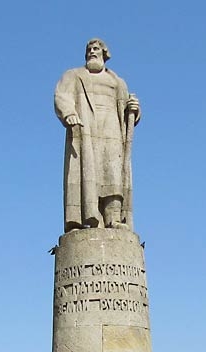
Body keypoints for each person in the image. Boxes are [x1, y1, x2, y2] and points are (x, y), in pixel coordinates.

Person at [55, 39, 141, 233]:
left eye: (96, 49)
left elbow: (128, 109)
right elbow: (61, 96)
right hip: (85, 129)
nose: (91, 52)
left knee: (113, 173)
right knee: (86, 174)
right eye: (89, 49)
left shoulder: (117, 81)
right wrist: (68, 112)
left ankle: (113, 217)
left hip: (112, 129)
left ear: (105, 53)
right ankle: (83, 219)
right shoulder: (73, 75)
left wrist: (134, 110)